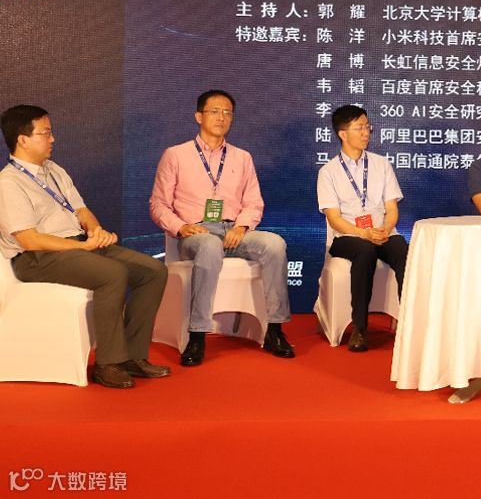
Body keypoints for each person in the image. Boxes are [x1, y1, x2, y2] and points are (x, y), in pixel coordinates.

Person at [0, 105, 169, 389]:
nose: (53, 139)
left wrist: (96, 232)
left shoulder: (54, 170)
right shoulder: (9, 183)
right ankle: (108, 363)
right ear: (23, 139)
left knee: (153, 271)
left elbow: (81, 210)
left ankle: (133, 356)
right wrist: (84, 247)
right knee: (112, 273)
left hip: (79, 244)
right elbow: (30, 240)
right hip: (38, 257)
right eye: (45, 133)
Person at [149, 90, 293, 366]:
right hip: (197, 233)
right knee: (209, 244)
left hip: (234, 231)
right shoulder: (176, 155)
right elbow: (158, 204)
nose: (221, 117)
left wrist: (242, 226)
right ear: (199, 116)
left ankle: (275, 329)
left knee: (274, 244)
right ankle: (197, 334)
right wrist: (181, 227)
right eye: (214, 111)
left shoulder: (242, 157)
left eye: (227, 112)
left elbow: (254, 202)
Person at [317, 105, 407, 352]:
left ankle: (410, 323)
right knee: (365, 251)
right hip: (347, 236)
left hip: (382, 232)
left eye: (367, 127)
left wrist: (385, 229)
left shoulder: (381, 164)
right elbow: (334, 218)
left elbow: (392, 208)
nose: (366, 132)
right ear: (343, 134)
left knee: (402, 248)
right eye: (359, 128)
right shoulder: (328, 172)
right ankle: (359, 327)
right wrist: (364, 233)